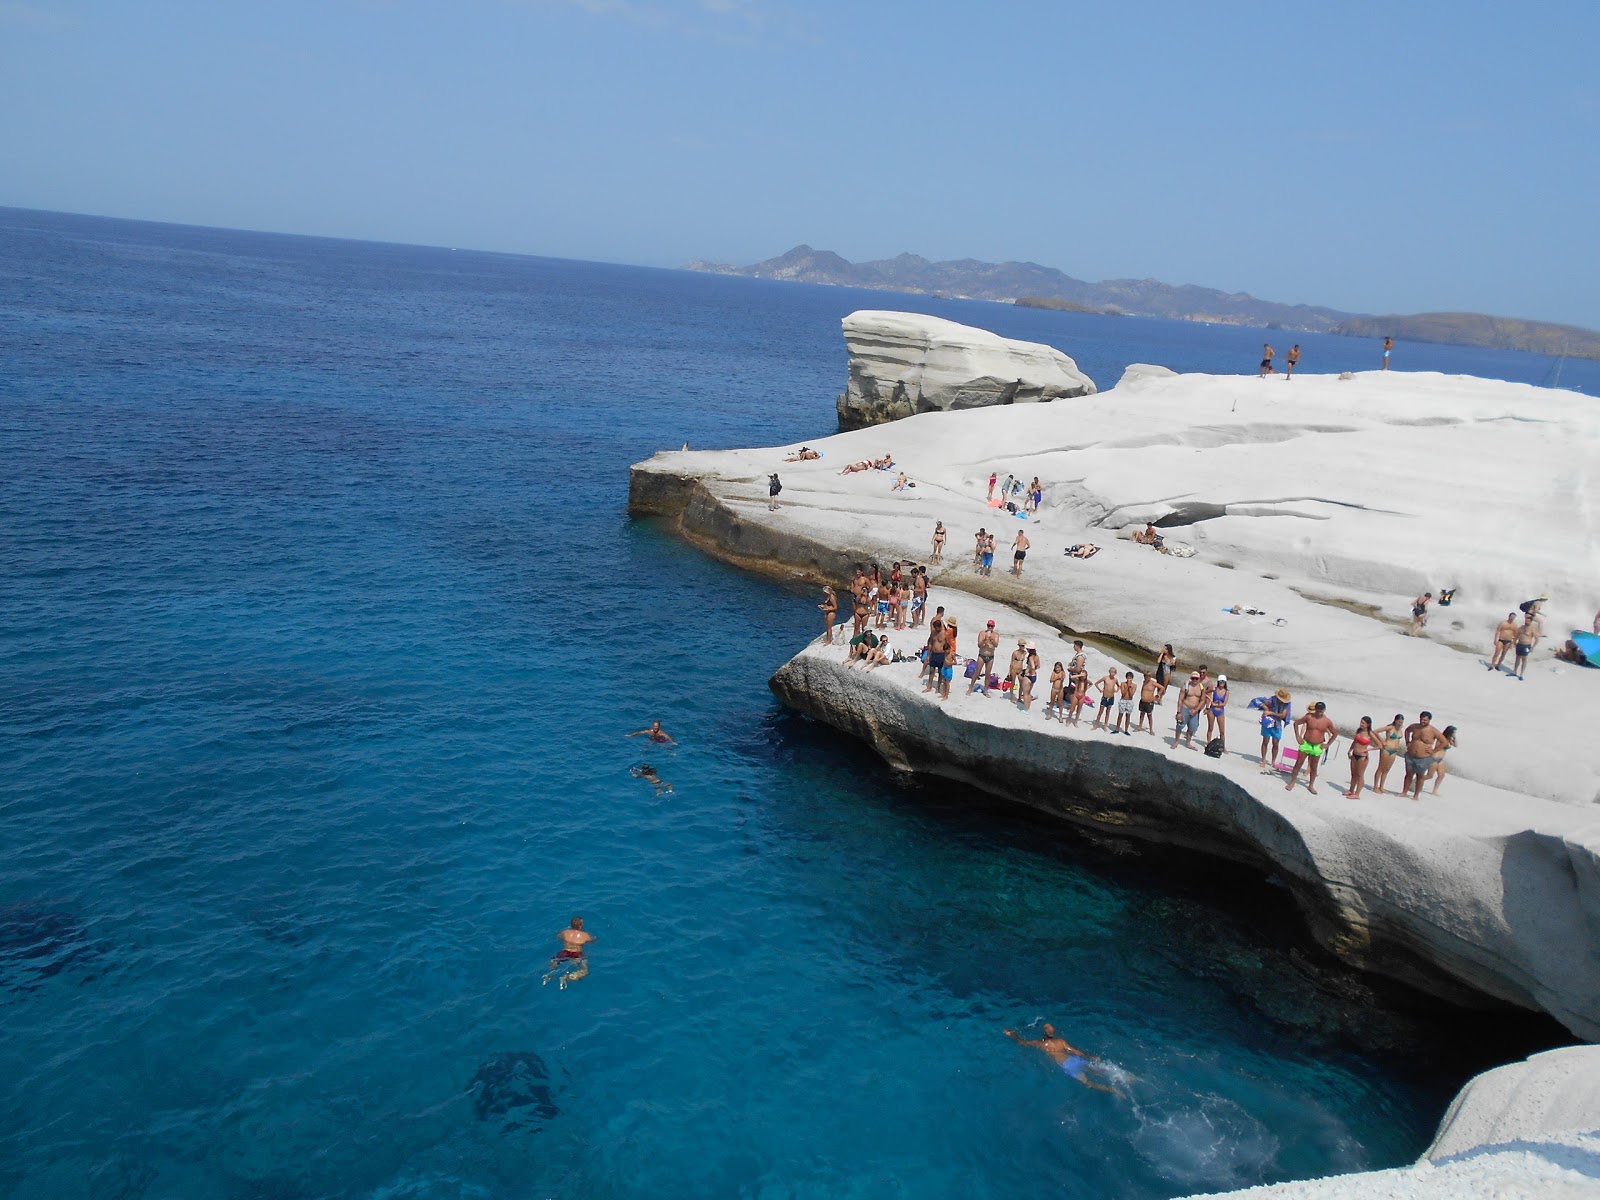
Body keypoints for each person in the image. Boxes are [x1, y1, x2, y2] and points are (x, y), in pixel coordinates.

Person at [1003, 1025, 1122, 1097]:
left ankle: (1113, 1090)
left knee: (1089, 1084)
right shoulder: (1061, 1041)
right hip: (1075, 1060)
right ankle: (1124, 1077)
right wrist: (1091, 1057)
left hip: (1067, 1066)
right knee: (1097, 1071)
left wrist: (1012, 1034)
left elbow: (1021, 1042)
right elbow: (1076, 1052)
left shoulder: (1039, 1044)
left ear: (1043, 1033)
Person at [1284, 702, 1338, 794]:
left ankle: (1311, 785)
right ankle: (1292, 782)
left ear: (1324, 710)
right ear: (1315, 709)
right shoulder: (1309, 717)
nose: (1319, 712)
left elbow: (1335, 733)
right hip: (1306, 743)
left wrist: (1328, 744)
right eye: (1318, 710)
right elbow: (1296, 723)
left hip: (1317, 745)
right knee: (1298, 763)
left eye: (1321, 710)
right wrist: (1297, 736)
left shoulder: (1327, 721)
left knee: (1314, 767)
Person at [1401, 712, 1449, 800]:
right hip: (1411, 755)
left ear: (1429, 720)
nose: (1422, 721)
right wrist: (1407, 742)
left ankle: (1416, 796)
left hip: (1423, 757)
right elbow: (1407, 731)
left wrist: (1433, 751)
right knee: (1408, 774)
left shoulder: (1433, 730)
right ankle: (1404, 792)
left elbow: (1444, 742)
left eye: (1425, 720)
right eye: (1421, 719)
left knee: (1420, 776)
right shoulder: (1414, 726)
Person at [542, 917, 594, 990]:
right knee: (585, 971)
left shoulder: (565, 932)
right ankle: (568, 977)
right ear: (580, 926)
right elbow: (593, 942)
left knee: (553, 961)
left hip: (564, 953)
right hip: (577, 954)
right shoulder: (585, 935)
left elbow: (558, 937)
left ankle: (550, 974)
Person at [1372, 714, 1406, 794]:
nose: (1400, 723)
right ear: (1395, 721)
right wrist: (1382, 741)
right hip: (1386, 749)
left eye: (1401, 722)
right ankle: (1375, 786)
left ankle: (1381, 786)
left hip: (1394, 751)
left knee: (1387, 769)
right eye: (1398, 722)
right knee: (1381, 768)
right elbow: (1375, 731)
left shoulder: (1400, 729)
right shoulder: (1390, 727)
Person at [1258, 687, 1291, 769]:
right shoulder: (1272, 699)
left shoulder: (1287, 704)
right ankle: (1263, 760)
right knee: (1265, 741)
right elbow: (1261, 703)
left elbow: (1283, 715)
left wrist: (1270, 712)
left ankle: (1273, 761)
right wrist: (1265, 708)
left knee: (1275, 743)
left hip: (1277, 724)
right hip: (1268, 722)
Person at [1344, 716, 1375, 799]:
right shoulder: (1359, 731)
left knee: (1360, 775)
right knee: (1353, 774)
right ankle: (1351, 790)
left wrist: (1369, 749)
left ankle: (1357, 794)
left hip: (1362, 757)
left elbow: (1380, 745)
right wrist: (1350, 750)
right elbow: (1355, 741)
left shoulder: (1370, 733)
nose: (1361, 724)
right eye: (1361, 722)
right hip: (1354, 754)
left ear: (1368, 724)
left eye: (1363, 723)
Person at [1172, 672, 1204, 749]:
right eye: (1193, 678)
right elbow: (1180, 699)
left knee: (1192, 728)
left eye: (1196, 678)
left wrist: (1196, 710)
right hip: (1185, 708)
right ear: (1191, 678)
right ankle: (1176, 741)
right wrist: (1179, 712)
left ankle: (1188, 743)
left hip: (1194, 710)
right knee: (1180, 725)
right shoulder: (1186, 687)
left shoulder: (1201, 688)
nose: (1195, 680)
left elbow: (1202, 700)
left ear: (1199, 679)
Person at [1426, 726, 1458, 794]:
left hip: (1440, 759)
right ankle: (1416, 781)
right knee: (1429, 776)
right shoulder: (1441, 738)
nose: (1454, 733)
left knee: (1441, 775)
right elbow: (1438, 747)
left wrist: (1454, 738)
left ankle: (1435, 790)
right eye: (1453, 732)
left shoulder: (1449, 739)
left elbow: (1456, 745)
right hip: (1435, 758)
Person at [971, 619, 999, 695]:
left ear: (993, 627)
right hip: (982, 656)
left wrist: (991, 639)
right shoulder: (982, 633)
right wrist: (985, 639)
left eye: (991, 626)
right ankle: (970, 688)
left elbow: (996, 645)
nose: (990, 627)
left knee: (987, 674)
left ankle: (985, 691)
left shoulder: (996, 635)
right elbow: (979, 645)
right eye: (988, 626)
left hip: (990, 657)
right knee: (977, 673)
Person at [1512, 613, 1541, 680]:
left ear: (1531, 621)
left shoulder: (1532, 629)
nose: (1526, 621)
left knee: (1524, 659)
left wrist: (1533, 648)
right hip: (1519, 644)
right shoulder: (1521, 627)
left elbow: (1537, 639)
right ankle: (1514, 671)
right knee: (1517, 658)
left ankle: (1521, 674)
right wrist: (1514, 642)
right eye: (1526, 620)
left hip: (1526, 646)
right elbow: (1517, 635)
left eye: (1528, 620)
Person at [1205, 674, 1229, 749]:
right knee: (1210, 728)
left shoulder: (1227, 692)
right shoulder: (1215, 689)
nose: (1222, 683)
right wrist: (1211, 700)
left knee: (1222, 731)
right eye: (1220, 681)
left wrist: (1215, 704)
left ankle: (1223, 747)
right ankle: (1208, 743)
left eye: (1223, 681)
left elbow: (1224, 703)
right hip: (1212, 710)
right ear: (1218, 682)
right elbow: (1205, 692)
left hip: (1220, 712)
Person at [1020, 643, 1040, 711]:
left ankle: (1026, 709)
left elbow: (1033, 667)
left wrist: (1028, 670)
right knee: (1029, 693)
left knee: (1025, 694)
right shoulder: (1036, 656)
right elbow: (1038, 666)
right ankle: (1027, 708)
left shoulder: (1031, 657)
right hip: (1034, 676)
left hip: (1029, 676)